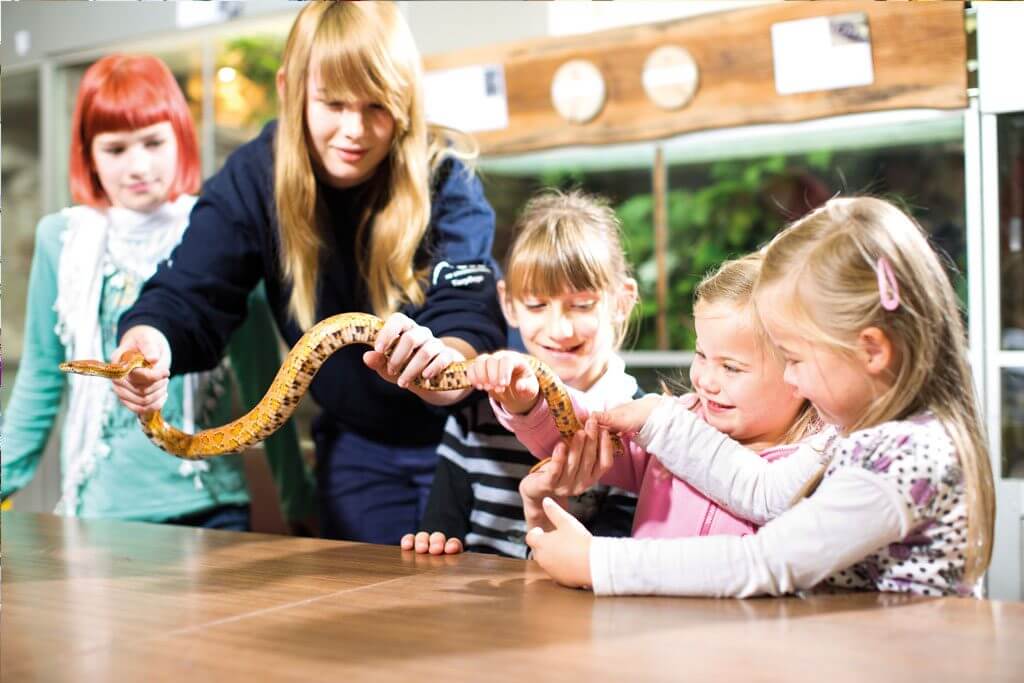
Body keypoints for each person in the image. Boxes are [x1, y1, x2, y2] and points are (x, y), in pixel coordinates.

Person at [109, 2, 505, 543]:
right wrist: (149, 338)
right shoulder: (254, 177)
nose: (354, 130)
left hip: (475, 437)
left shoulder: (446, 177)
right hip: (358, 446)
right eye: (333, 103)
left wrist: (443, 366)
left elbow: (469, 310)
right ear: (290, 88)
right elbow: (191, 292)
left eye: (377, 105)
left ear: (406, 99)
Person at [524, 197, 995, 598]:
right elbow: (760, 491)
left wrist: (599, 563)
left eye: (795, 358)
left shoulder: (905, 458)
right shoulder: (863, 437)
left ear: (871, 350)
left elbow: (764, 561)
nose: (792, 379)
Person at [1, 54, 313, 530]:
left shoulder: (221, 233)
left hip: (211, 507)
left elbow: (265, 387)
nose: (138, 166)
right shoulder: (60, 240)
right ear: (88, 153)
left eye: (153, 141)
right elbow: (39, 384)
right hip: (97, 512)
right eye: (115, 148)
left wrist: (299, 505)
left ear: (180, 138)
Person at [501, 252, 827, 545]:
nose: (705, 380)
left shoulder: (817, 465)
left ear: (799, 372)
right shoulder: (673, 422)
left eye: (731, 367)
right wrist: (531, 400)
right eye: (701, 354)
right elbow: (582, 426)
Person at [400, 190, 639, 557]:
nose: (560, 330)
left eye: (582, 305)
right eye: (536, 305)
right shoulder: (473, 416)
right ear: (509, 304)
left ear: (622, 301)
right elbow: (441, 530)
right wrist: (433, 544)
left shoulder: (638, 428)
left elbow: (615, 563)